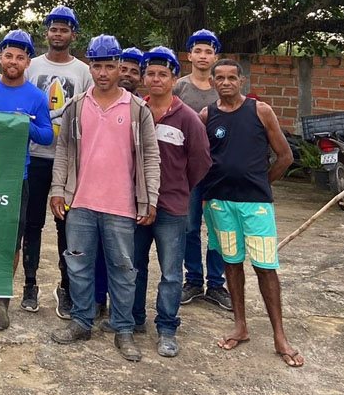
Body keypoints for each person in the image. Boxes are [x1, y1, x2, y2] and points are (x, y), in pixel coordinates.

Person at [50, 34, 160, 362]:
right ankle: (82, 321)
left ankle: (123, 329)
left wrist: (150, 197)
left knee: (124, 269)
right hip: (81, 202)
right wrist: (58, 189)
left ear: (119, 68)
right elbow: (64, 150)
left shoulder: (138, 109)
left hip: (121, 205)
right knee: (79, 264)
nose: (103, 72)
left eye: (109, 66)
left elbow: (151, 156)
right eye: (97, 65)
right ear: (90, 66)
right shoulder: (77, 106)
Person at [200, 59, 303, 367]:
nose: (226, 82)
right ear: (214, 82)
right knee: (231, 263)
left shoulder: (261, 111)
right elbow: (201, 158)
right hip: (220, 204)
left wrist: (261, 183)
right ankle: (240, 326)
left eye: (232, 77)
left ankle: (279, 336)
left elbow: (285, 156)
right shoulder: (207, 115)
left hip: (256, 204)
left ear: (241, 81)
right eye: (220, 78)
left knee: (265, 267)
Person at [125, 47, 211, 357]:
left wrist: (180, 188)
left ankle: (166, 327)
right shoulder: (137, 111)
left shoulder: (186, 117)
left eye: (164, 74)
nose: (156, 79)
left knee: (172, 272)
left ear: (174, 77)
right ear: (144, 78)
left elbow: (201, 161)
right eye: (151, 74)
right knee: (135, 267)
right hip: (137, 205)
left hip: (173, 208)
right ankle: (134, 320)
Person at [0, 30, 53, 330]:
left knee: (10, 241)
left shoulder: (36, 97)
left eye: (20, 56)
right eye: (8, 55)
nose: (13, 61)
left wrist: (25, 125)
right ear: (0, 58)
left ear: (28, 61)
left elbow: (47, 135)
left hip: (18, 177)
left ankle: (1, 298)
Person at [22, 6, 92, 316]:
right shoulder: (32, 66)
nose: (58, 34)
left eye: (64, 29)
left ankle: (65, 288)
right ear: (46, 33)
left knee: (67, 226)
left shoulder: (84, 72)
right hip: (34, 157)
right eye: (53, 28)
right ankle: (29, 285)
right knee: (32, 224)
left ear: (73, 34)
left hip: (68, 161)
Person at [175, 29, 232, 311]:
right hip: (187, 170)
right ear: (189, 56)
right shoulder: (180, 87)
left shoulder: (222, 88)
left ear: (215, 57)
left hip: (218, 170)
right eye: (198, 51)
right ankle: (194, 280)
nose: (203, 56)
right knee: (189, 226)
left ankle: (217, 284)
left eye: (208, 51)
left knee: (218, 227)